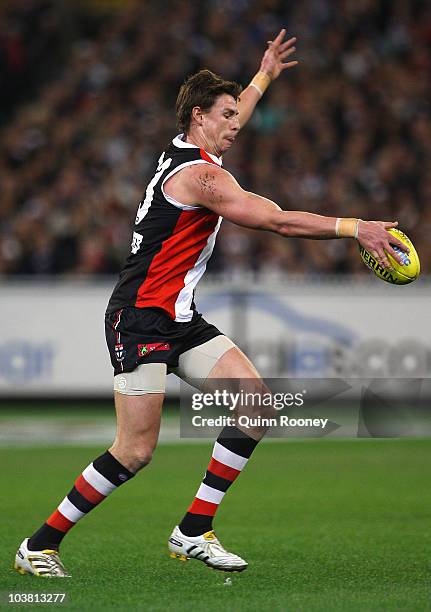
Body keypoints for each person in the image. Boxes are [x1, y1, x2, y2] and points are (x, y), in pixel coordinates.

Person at [14, 29, 407, 577]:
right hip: (140, 317)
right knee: (135, 451)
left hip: (178, 317)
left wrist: (264, 74)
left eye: (235, 115)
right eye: (226, 116)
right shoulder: (199, 175)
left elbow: (237, 107)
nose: (236, 124)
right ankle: (39, 545)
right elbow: (275, 221)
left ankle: (193, 530)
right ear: (199, 117)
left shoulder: (192, 146)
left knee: (257, 405)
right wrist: (353, 227)